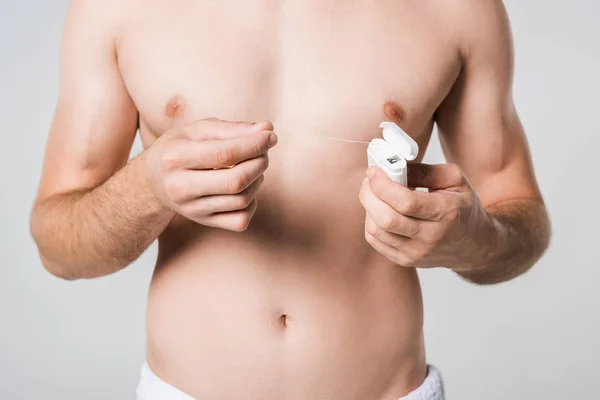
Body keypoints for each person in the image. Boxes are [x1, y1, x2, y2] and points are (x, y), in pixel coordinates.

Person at [30, 1, 551, 399]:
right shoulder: (118, 8)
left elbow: (522, 222)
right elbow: (60, 249)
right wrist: (146, 189)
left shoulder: (457, 8)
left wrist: (472, 237)